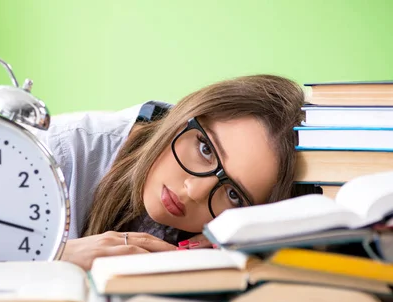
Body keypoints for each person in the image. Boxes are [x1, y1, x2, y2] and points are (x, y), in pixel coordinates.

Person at [31, 74, 305, 270]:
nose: (194, 192)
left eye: (233, 194)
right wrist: (51, 257)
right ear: (185, 114)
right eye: (206, 150)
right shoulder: (52, 152)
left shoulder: (216, 241)